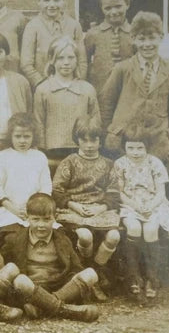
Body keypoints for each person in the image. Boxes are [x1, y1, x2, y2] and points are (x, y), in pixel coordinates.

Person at [98, 11, 169, 167]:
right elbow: (106, 106)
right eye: (141, 39)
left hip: (157, 146)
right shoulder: (122, 69)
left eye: (152, 38)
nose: (147, 44)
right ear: (133, 39)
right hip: (122, 145)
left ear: (161, 37)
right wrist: (108, 140)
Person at [0, 193, 101, 322]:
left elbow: (76, 267)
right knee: (20, 280)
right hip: (29, 289)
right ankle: (65, 310)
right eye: (35, 219)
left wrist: (74, 286)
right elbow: (4, 269)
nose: (41, 225)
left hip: (59, 287)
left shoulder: (62, 239)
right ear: (27, 218)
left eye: (46, 219)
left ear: (54, 218)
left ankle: (42, 307)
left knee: (91, 274)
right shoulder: (15, 240)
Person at [51, 115, 121, 300]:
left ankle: (95, 271)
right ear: (77, 140)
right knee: (85, 235)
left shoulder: (108, 164)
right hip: (75, 209)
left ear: (100, 140)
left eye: (94, 139)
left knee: (114, 236)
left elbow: (114, 193)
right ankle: (89, 276)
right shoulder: (69, 162)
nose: (89, 145)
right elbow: (57, 190)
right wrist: (73, 205)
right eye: (84, 140)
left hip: (99, 209)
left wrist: (101, 208)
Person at [113, 121, 169, 301]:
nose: (136, 152)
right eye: (131, 148)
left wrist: (151, 206)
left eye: (140, 148)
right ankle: (133, 276)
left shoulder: (155, 163)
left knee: (150, 229)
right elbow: (120, 192)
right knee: (133, 228)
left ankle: (151, 278)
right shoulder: (120, 164)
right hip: (130, 204)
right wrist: (134, 205)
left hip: (155, 204)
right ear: (124, 147)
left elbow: (161, 192)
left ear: (147, 147)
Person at [32, 35, 100, 169]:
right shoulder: (43, 89)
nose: (66, 62)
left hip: (82, 149)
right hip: (52, 151)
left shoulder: (87, 89)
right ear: (52, 60)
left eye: (71, 58)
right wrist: (41, 151)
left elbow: (95, 119)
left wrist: (90, 144)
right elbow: (38, 122)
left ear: (77, 60)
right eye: (60, 58)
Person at [0, 113, 52, 235]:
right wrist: (15, 210)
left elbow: (46, 187)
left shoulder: (39, 157)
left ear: (33, 136)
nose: (22, 141)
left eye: (27, 136)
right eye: (18, 136)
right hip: (8, 211)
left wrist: (35, 208)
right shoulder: (1, 158)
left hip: (37, 211)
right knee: (16, 237)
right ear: (10, 136)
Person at [19, 0, 87, 91]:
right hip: (43, 88)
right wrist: (42, 85)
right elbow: (26, 64)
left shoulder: (74, 25)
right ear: (39, 2)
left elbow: (82, 61)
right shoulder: (33, 26)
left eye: (56, 0)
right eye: (46, 0)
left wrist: (77, 84)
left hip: (71, 87)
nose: (51, 4)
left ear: (64, 1)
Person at [84, 0, 134, 94]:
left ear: (127, 4)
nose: (114, 12)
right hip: (100, 92)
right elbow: (84, 63)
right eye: (108, 8)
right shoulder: (93, 34)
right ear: (102, 8)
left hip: (127, 93)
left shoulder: (135, 34)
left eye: (118, 6)